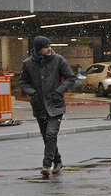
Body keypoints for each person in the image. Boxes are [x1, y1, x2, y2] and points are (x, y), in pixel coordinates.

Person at [18, 36, 77, 177]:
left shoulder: (58, 60)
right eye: (45, 47)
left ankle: (46, 164)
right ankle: (58, 161)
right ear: (38, 49)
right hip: (39, 105)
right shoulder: (28, 64)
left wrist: (59, 91)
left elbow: (70, 78)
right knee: (46, 137)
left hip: (56, 104)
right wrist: (33, 93)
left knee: (51, 134)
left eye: (49, 46)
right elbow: (23, 83)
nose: (49, 49)